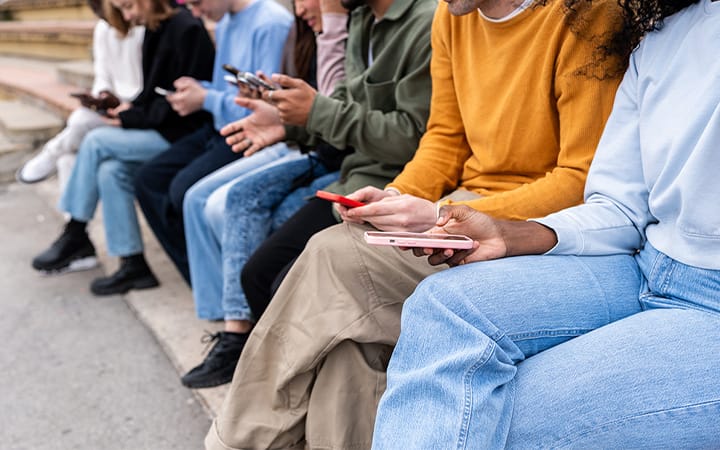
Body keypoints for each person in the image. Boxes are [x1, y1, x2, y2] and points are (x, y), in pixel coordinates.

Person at [207, 0, 632, 447]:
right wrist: (397, 196)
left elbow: (580, 179)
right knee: (350, 352)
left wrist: (444, 214)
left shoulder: (587, 14)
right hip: (463, 207)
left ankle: (235, 441)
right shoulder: (453, 15)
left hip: (539, 231)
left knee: (332, 253)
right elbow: (445, 137)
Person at [372, 0, 720, 446]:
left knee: (486, 414)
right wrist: (511, 233)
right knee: (441, 307)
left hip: (707, 299)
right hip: (648, 265)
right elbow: (621, 207)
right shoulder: (661, 35)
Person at [179, 0, 350, 389]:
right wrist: (280, 113)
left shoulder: (334, 28)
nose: (303, 5)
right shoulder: (303, 31)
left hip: (334, 159)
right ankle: (233, 329)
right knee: (214, 196)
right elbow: (318, 115)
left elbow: (338, 115)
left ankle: (245, 335)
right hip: (309, 146)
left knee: (246, 213)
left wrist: (288, 119)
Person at [31, 0, 215, 296]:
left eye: (129, 6)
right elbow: (153, 92)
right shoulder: (157, 28)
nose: (127, 16)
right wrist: (127, 110)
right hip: (162, 128)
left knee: (95, 141)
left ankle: (75, 231)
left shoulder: (185, 28)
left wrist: (131, 117)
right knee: (111, 171)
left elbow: (181, 106)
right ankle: (133, 264)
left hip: (187, 135)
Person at [133, 0, 292, 284]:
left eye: (196, 3)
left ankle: (219, 284)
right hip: (218, 128)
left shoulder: (271, 22)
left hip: (251, 134)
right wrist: (196, 91)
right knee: (148, 179)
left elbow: (265, 108)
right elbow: (223, 90)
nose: (193, 13)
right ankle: (201, 279)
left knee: (182, 189)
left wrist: (205, 98)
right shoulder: (226, 21)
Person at [16, 0, 144, 185]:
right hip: (113, 107)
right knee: (67, 160)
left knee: (79, 122)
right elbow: (102, 74)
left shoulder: (141, 28)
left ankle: (50, 153)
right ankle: (72, 214)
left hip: (136, 111)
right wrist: (102, 95)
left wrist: (126, 105)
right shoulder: (102, 29)